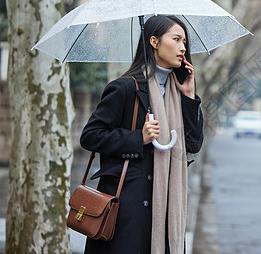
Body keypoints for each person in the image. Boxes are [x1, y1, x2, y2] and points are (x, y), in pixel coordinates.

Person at [80, 15, 204, 254]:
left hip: (167, 207)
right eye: (176, 39)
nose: (183, 48)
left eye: (185, 42)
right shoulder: (126, 87)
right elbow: (91, 136)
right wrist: (138, 137)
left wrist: (190, 97)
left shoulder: (179, 90)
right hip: (128, 210)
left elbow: (194, 143)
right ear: (154, 42)